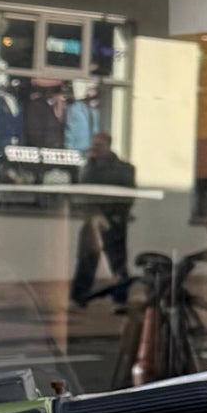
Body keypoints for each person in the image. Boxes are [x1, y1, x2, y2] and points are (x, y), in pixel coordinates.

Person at [71, 127, 138, 307]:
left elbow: (128, 196)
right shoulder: (87, 168)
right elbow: (83, 194)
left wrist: (115, 216)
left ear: (108, 146)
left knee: (117, 260)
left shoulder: (124, 169)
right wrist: (93, 214)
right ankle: (79, 296)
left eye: (99, 145)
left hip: (114, 220)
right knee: (86, 258)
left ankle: (120, 299)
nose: (95, 148)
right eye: (93, 145)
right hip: (92, 218)